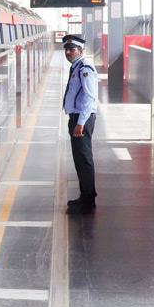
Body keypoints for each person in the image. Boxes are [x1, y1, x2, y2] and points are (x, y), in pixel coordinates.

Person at [62, 34, 98, 214]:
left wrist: (81, 122)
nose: (68, 52)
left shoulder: (85, 68)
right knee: (80, 159)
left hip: (81, 119)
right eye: (66, 49)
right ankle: (85, 196)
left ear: (81, 50)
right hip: (76, 118)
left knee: (84, 159)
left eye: (72, 49)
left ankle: (88, 200)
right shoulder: (77, 67)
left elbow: (89, 97)